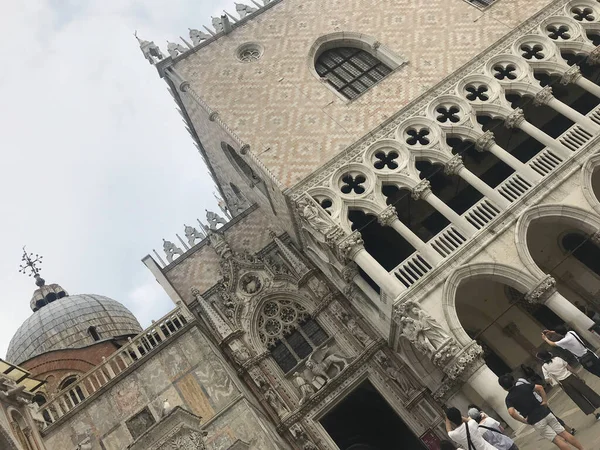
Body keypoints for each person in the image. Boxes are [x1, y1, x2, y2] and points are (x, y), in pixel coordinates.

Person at [498, 374, 583, 450]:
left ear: (503, 387)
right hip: (545, 412)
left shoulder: (509, 399)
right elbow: (540, 387)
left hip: (535, 420)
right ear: (513, 380)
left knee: (556, 439)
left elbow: (511, 412)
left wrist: (523, 420)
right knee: (563, 433)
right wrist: (544, 401)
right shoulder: (523, 386)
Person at [537, 351, 600, 420]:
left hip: (563, 383)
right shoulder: (558, 359)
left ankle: (595, 414)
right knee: (587, 391)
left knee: (578, 398)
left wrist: (552, 377)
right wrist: (577, 376)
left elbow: (547, 379)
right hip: (571, 377)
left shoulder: (545, 367)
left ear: (542, 359)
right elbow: (569, 368)